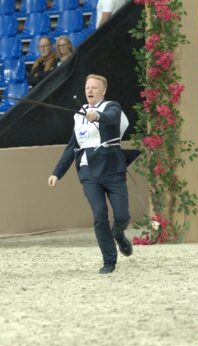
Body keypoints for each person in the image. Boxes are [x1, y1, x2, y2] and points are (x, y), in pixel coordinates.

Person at [47, 74, 133, 274]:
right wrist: (57, 173)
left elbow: (111, 117)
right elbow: (72, 146)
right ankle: (109, 260)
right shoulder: (79, 114)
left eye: (94, 87)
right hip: (89, 171)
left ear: (103, 91)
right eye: (87, 87)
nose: (90, 91)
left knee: (122, 216)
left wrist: (98, 116)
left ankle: (118, 234)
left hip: (112, 169)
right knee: (99, 215)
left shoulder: (112, 106)